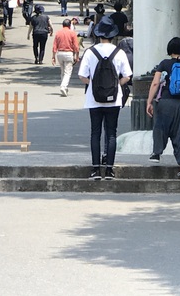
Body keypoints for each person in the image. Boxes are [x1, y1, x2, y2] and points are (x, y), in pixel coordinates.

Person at [78, 14, 132, 180]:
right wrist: (117, 85)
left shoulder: (90, 52)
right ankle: (109, 169)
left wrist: (93, 84)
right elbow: (127, 76)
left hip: (93, 99)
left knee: (95, 133)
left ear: (98, 33)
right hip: (114, 98)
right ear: (113, 34)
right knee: (111, 133)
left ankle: (95, 169)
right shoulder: (119, 52)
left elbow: (82, 75)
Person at [146, 37, 180, 180]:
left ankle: (157, 152)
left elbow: (156, 84)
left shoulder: (164, 64)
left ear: (169, 50)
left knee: (160, 127)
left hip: (165, 102)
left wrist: (149, 102)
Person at [52, 18, 81, 96]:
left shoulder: (58, 33)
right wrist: (77, 56)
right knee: (67, 72)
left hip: (59, 53)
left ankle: (64, 87)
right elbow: (76, 46)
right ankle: (63, 86)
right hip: (68, 53)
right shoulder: (72, 33)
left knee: (63, 71)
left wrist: (53, 57)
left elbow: (55, 45)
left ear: (62, 25)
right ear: (69, 25)